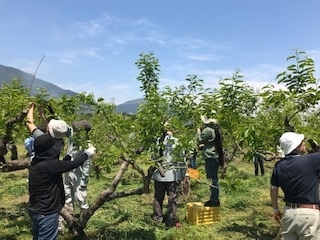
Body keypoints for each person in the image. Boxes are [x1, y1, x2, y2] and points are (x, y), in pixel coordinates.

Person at [28, 133, 96, 240]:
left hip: (36, 209)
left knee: (38, 236)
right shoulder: (50, 165)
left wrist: (68, 156)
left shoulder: (37, 162)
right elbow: (73, 165)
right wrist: (87, 153)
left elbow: (60, 166)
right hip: (47, 212)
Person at [270, 132, 320, 239]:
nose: (304, 144)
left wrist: (275, 209)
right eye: (302, 142)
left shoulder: (279, 165)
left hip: (288, 214)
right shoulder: (312, 160)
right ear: (296, 146)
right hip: (308, 214)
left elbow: (273, 188)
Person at [152, 129, 184, 228]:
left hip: (158, 174)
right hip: (172, 174)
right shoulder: (176, 141)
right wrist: (182, 174)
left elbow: (153, 157)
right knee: (172, 198)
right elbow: (181, 158)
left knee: (158, 197)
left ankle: (157, 218)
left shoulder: (156, 141)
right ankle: (170, 221)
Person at [63, 120, 93, 214]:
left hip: (78, 176)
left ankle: (83, 219)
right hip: (68, 172)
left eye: (76, 130)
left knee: (80, 198)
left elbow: (87, 165)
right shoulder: (73, 139)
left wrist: (84, 181)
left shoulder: (87, 146)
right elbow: (66, 128)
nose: (74, 131)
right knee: (67, 195)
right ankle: (70, 218)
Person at [197, 115, 224, 207]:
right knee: (214, 178)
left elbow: (200, 139)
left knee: (212, 179)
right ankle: (214, 198)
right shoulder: (215, 129)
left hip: (210, 156)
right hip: (215, 155)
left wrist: (198, 131)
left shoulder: (207, 130)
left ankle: (214, 200)